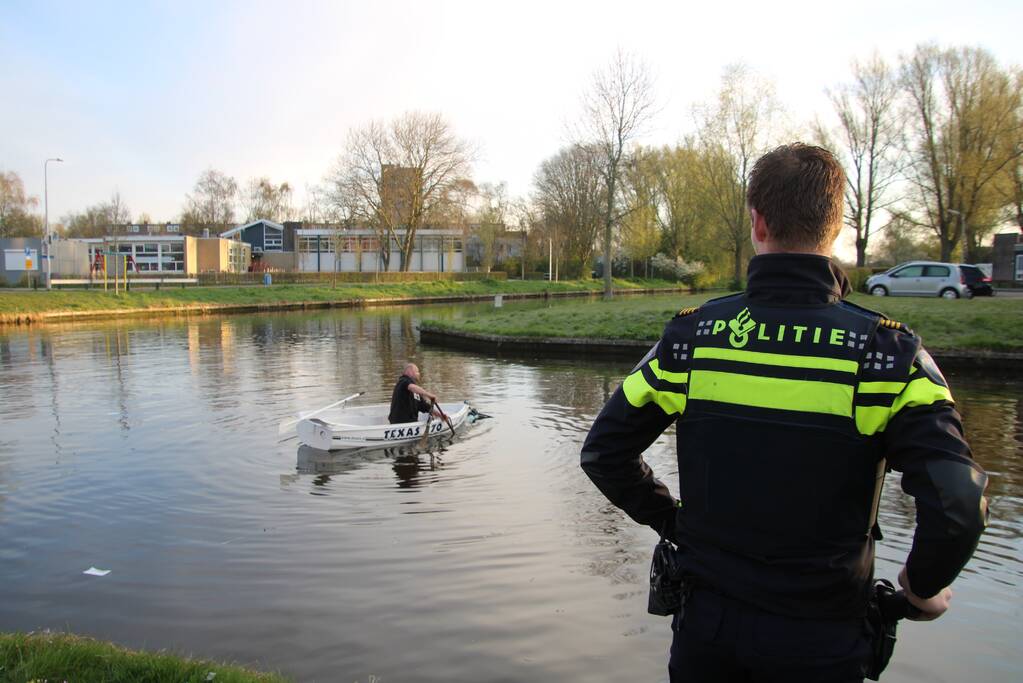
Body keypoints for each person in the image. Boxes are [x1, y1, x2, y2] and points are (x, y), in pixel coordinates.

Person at [580, 143, 988, 682]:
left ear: (757, 221)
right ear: (836, 226)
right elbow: (959, 499)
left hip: (709, 636)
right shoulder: (886, 355)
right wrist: (922, 585)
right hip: (823, 641)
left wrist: (675, 522)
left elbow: (605, 453)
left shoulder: (694, 338)